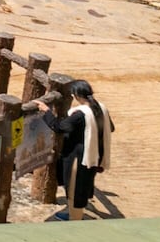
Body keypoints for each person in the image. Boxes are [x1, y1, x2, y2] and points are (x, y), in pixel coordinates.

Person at [33, 80, 114, 220]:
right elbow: (110, 128)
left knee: (74, 189)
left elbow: (59, 127)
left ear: (75, 95)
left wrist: (46, 111)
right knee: (82, 186)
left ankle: (75, 220)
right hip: (95, 155)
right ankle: (74, 215)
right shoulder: (101, 108)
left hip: (80, 157)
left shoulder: (80, 115)